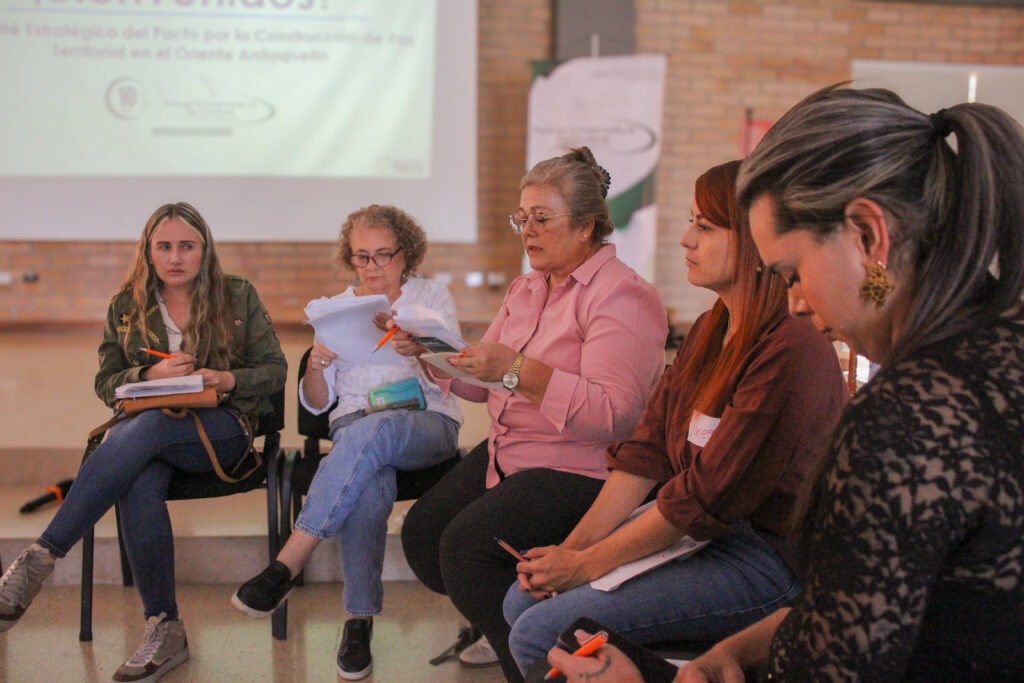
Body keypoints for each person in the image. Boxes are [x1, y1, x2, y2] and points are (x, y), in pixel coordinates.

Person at [552, 85, 1024, 681]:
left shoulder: (902, 417)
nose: (796, 303)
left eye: (793, 272)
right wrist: (732, 654)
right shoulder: (999, 351)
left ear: (869, 237)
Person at [501, 160, 849, 676]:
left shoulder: (789, 345)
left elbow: (705, 496)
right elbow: (647, 452)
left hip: (770, 558)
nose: (686, 239)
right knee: (522, 600)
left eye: (704, 227)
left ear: (756, 241)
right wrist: (570, 553)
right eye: (691, 222)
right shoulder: (711, 327)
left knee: (538, 631)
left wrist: (586, 564)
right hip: (703, 535)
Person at [395, 146, 669, 681]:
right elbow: (483, 383)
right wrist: (432, 353)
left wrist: (518, 369)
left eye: (541, 218)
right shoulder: (527, 288)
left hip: (582, 468)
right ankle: (520, 620)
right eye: (522, 218)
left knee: (467, 552)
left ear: (586, 226)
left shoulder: (623, 296)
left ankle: (537, 657)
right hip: (510, 452)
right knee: (423, 537)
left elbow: (615, 415)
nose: (528, 231)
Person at [0, 202, 287, 681]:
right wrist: (149, 375)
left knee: (146, 431)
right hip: (150, 439)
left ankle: (42, 556)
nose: (175, 257)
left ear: (205, 250)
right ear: (148, 252)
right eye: (164, 246)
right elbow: (106, 383)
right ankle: (165, 628)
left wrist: (225, 378)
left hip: (223, 430)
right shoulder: (125, 305)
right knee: (138, 478)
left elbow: (275, 370)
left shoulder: (237, 295)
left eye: (187, 246)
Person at [231, 204, 462, 680]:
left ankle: (288, 562)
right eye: (361, 256)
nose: (372, 267)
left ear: (405, 253)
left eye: (383, 255)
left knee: (370, 434)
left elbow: (456, 373)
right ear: (349, 256)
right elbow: (319, 406)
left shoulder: (431, 297)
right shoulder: (335, 309)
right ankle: (358, 623)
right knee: (367, 481)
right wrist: (316, 367)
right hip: (356, 425)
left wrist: (420, 349)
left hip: (426, 421)